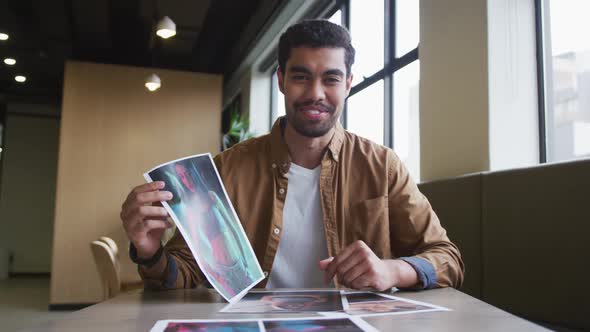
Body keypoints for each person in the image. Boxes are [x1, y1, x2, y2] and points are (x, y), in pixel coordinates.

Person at [120, 19, 464, 292]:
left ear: (348, 84)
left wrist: (393, 269)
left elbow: (447, 258)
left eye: (331, 79)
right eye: (301, 77)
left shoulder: (382, 166)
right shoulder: (227, 169)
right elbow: (187, 272)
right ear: (281, 80)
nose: (316, 93)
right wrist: (150, 252)